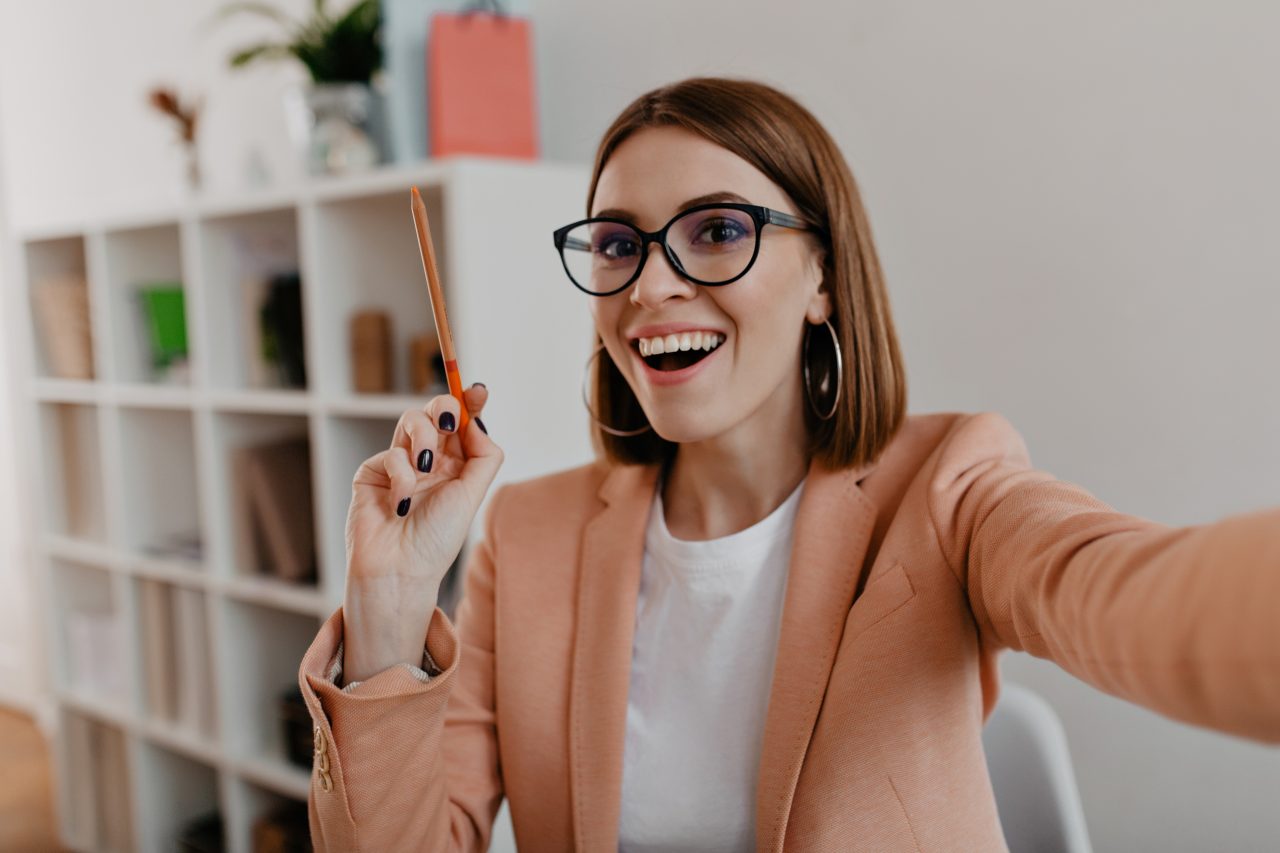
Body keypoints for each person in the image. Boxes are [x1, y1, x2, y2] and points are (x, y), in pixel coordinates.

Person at [298, 76, 1280, 852]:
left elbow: (1132, 596)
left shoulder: (945, 487)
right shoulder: (532, 532)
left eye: (716, 230)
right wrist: (386, 610)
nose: (650, 285)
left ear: (820, 274)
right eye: (615, 244)